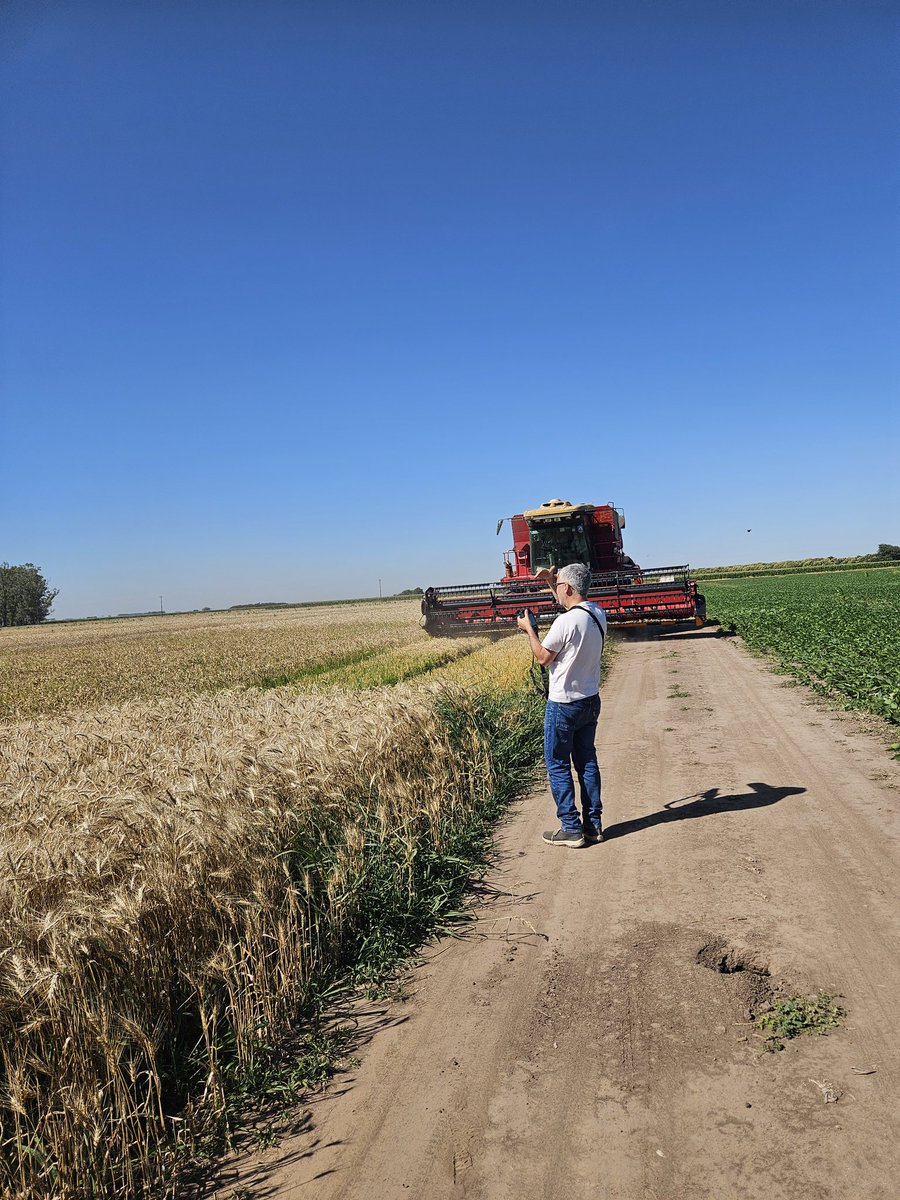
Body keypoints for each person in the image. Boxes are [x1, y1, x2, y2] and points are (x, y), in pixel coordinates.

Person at [516, 562, 607, 848]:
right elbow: (568, 601)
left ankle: (570, 828)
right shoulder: (597, 613)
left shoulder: (565, 622)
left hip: (564, 705)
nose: (555, 591)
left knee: (557, 764)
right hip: (590, 700)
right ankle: (593, 826)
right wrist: (550, 579)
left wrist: (529, 630)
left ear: (566, 588)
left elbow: (544, 657)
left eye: (558, 587)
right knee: (587, 762)